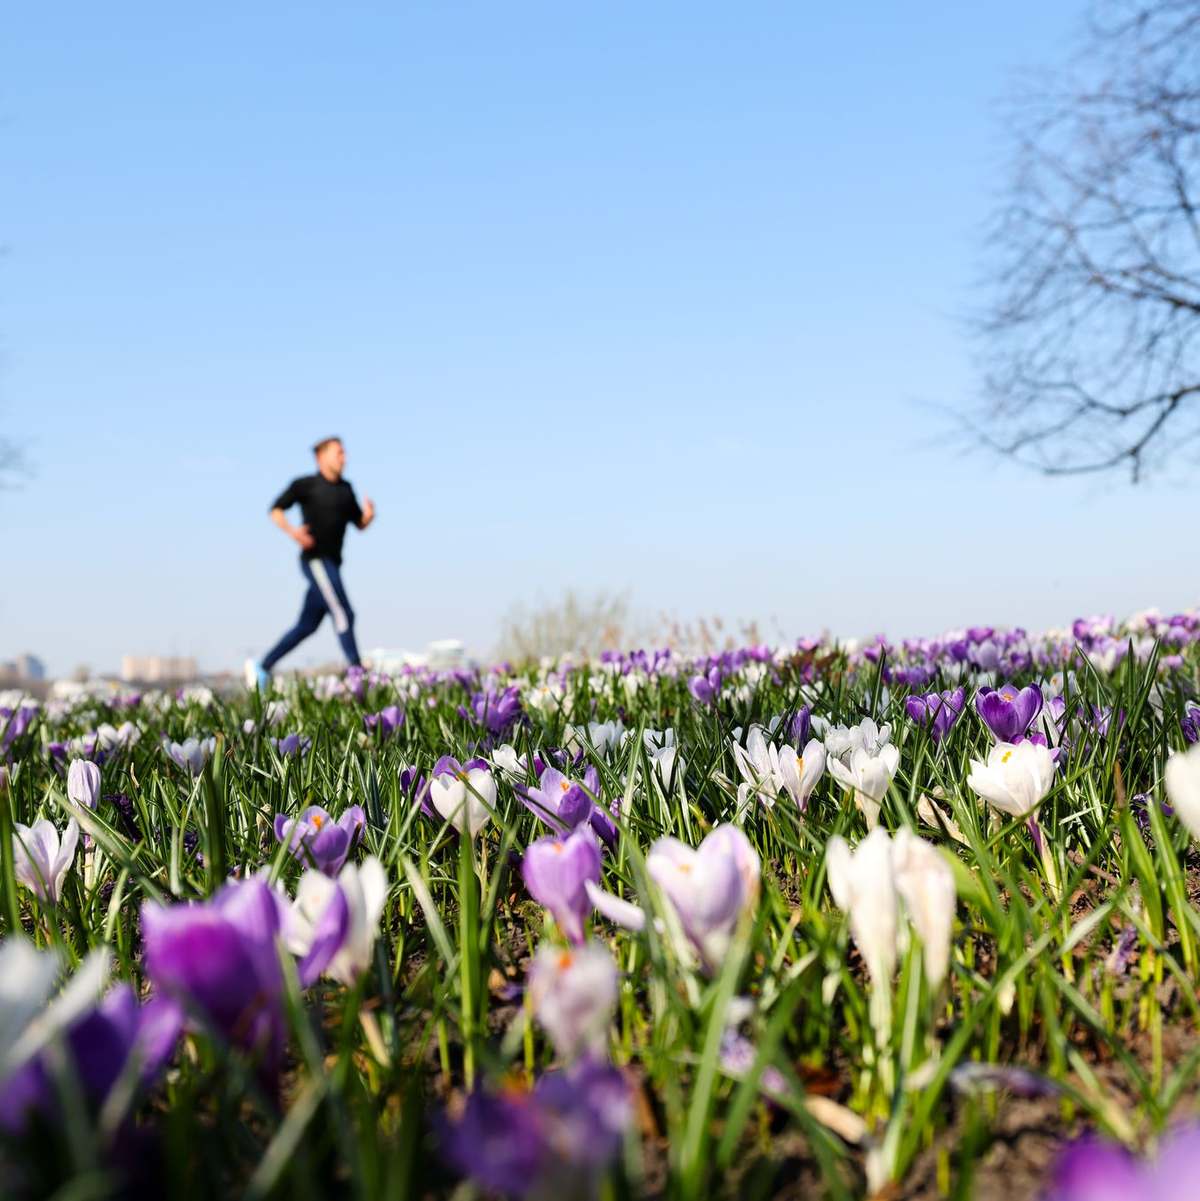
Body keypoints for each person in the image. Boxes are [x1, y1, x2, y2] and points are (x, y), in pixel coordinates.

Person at [244, 437, 374, 689]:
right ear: (321, 457)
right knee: (344, 614)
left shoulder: (346, 490)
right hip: (315, 560)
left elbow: (359, 524)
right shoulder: (306, 485)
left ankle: (264, 666)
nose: (344, 458)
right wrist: (293, 533)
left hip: (333, 564)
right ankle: (357, 676)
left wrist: (369, 516)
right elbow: (275, 510)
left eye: (344, 453)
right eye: (338, 453)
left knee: (307, 626)